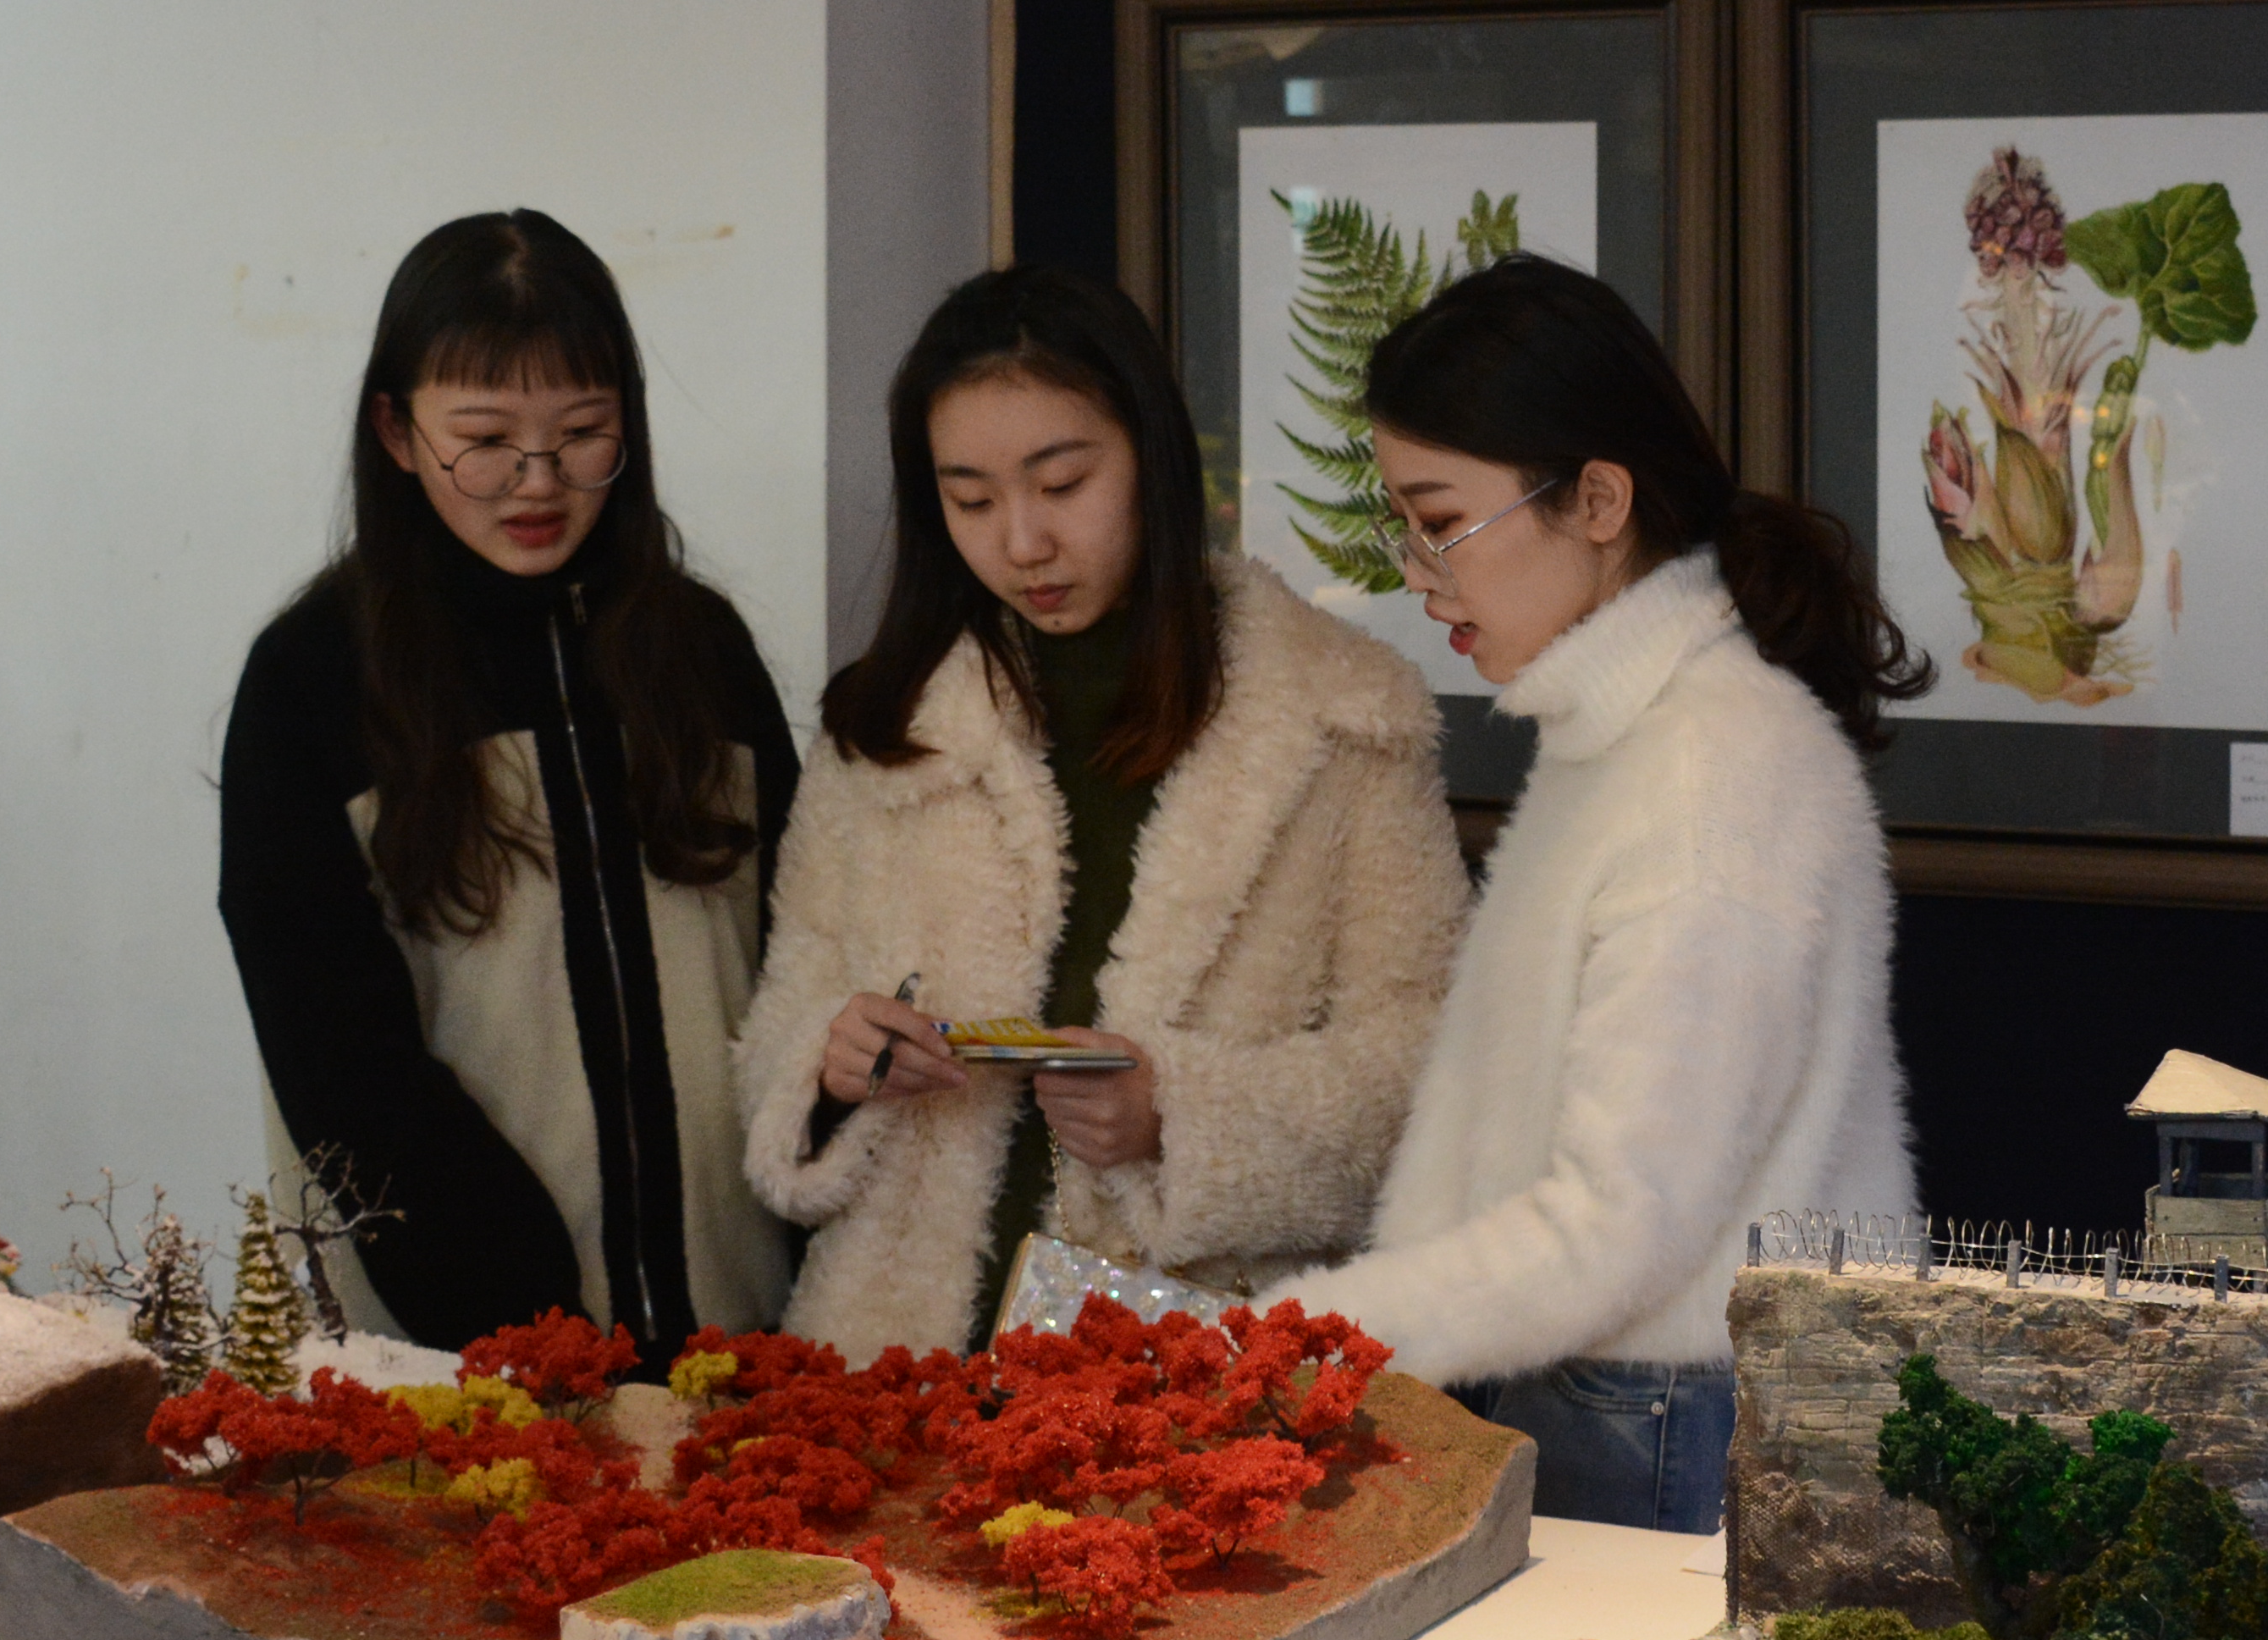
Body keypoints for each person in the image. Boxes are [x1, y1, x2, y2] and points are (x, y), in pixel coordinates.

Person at [1290, 257, 1926, 1532]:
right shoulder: (1632, 736)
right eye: (1402, 525)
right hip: (1619, 1392)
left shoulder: (1708, 766)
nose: (1419, 572)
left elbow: (1622, 1219)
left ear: (1597, 499)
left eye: (1441, 521)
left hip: (1661, 1414)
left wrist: (1307, 1334)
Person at [737, 265, 1466, 1359]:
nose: (1022, 542)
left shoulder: (1342, 715)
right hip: (895, 1355)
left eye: (1063, 483)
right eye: (971, 500)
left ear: (1150, 457)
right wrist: (832, 1067)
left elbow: (1426, 1067)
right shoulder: (890, 720)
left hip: (1188, 1372)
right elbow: (783, 1016)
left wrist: (1180, 1115)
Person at [218, 209, 797, 1353]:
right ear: (396, 430)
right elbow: (338, 1058)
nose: (539, 483)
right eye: (483, 440)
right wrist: (520, 1316)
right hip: (457, 1355)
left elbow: (796, 958)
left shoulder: (701, 653)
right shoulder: (313, 681)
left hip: (739, 1330)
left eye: (583, 434)